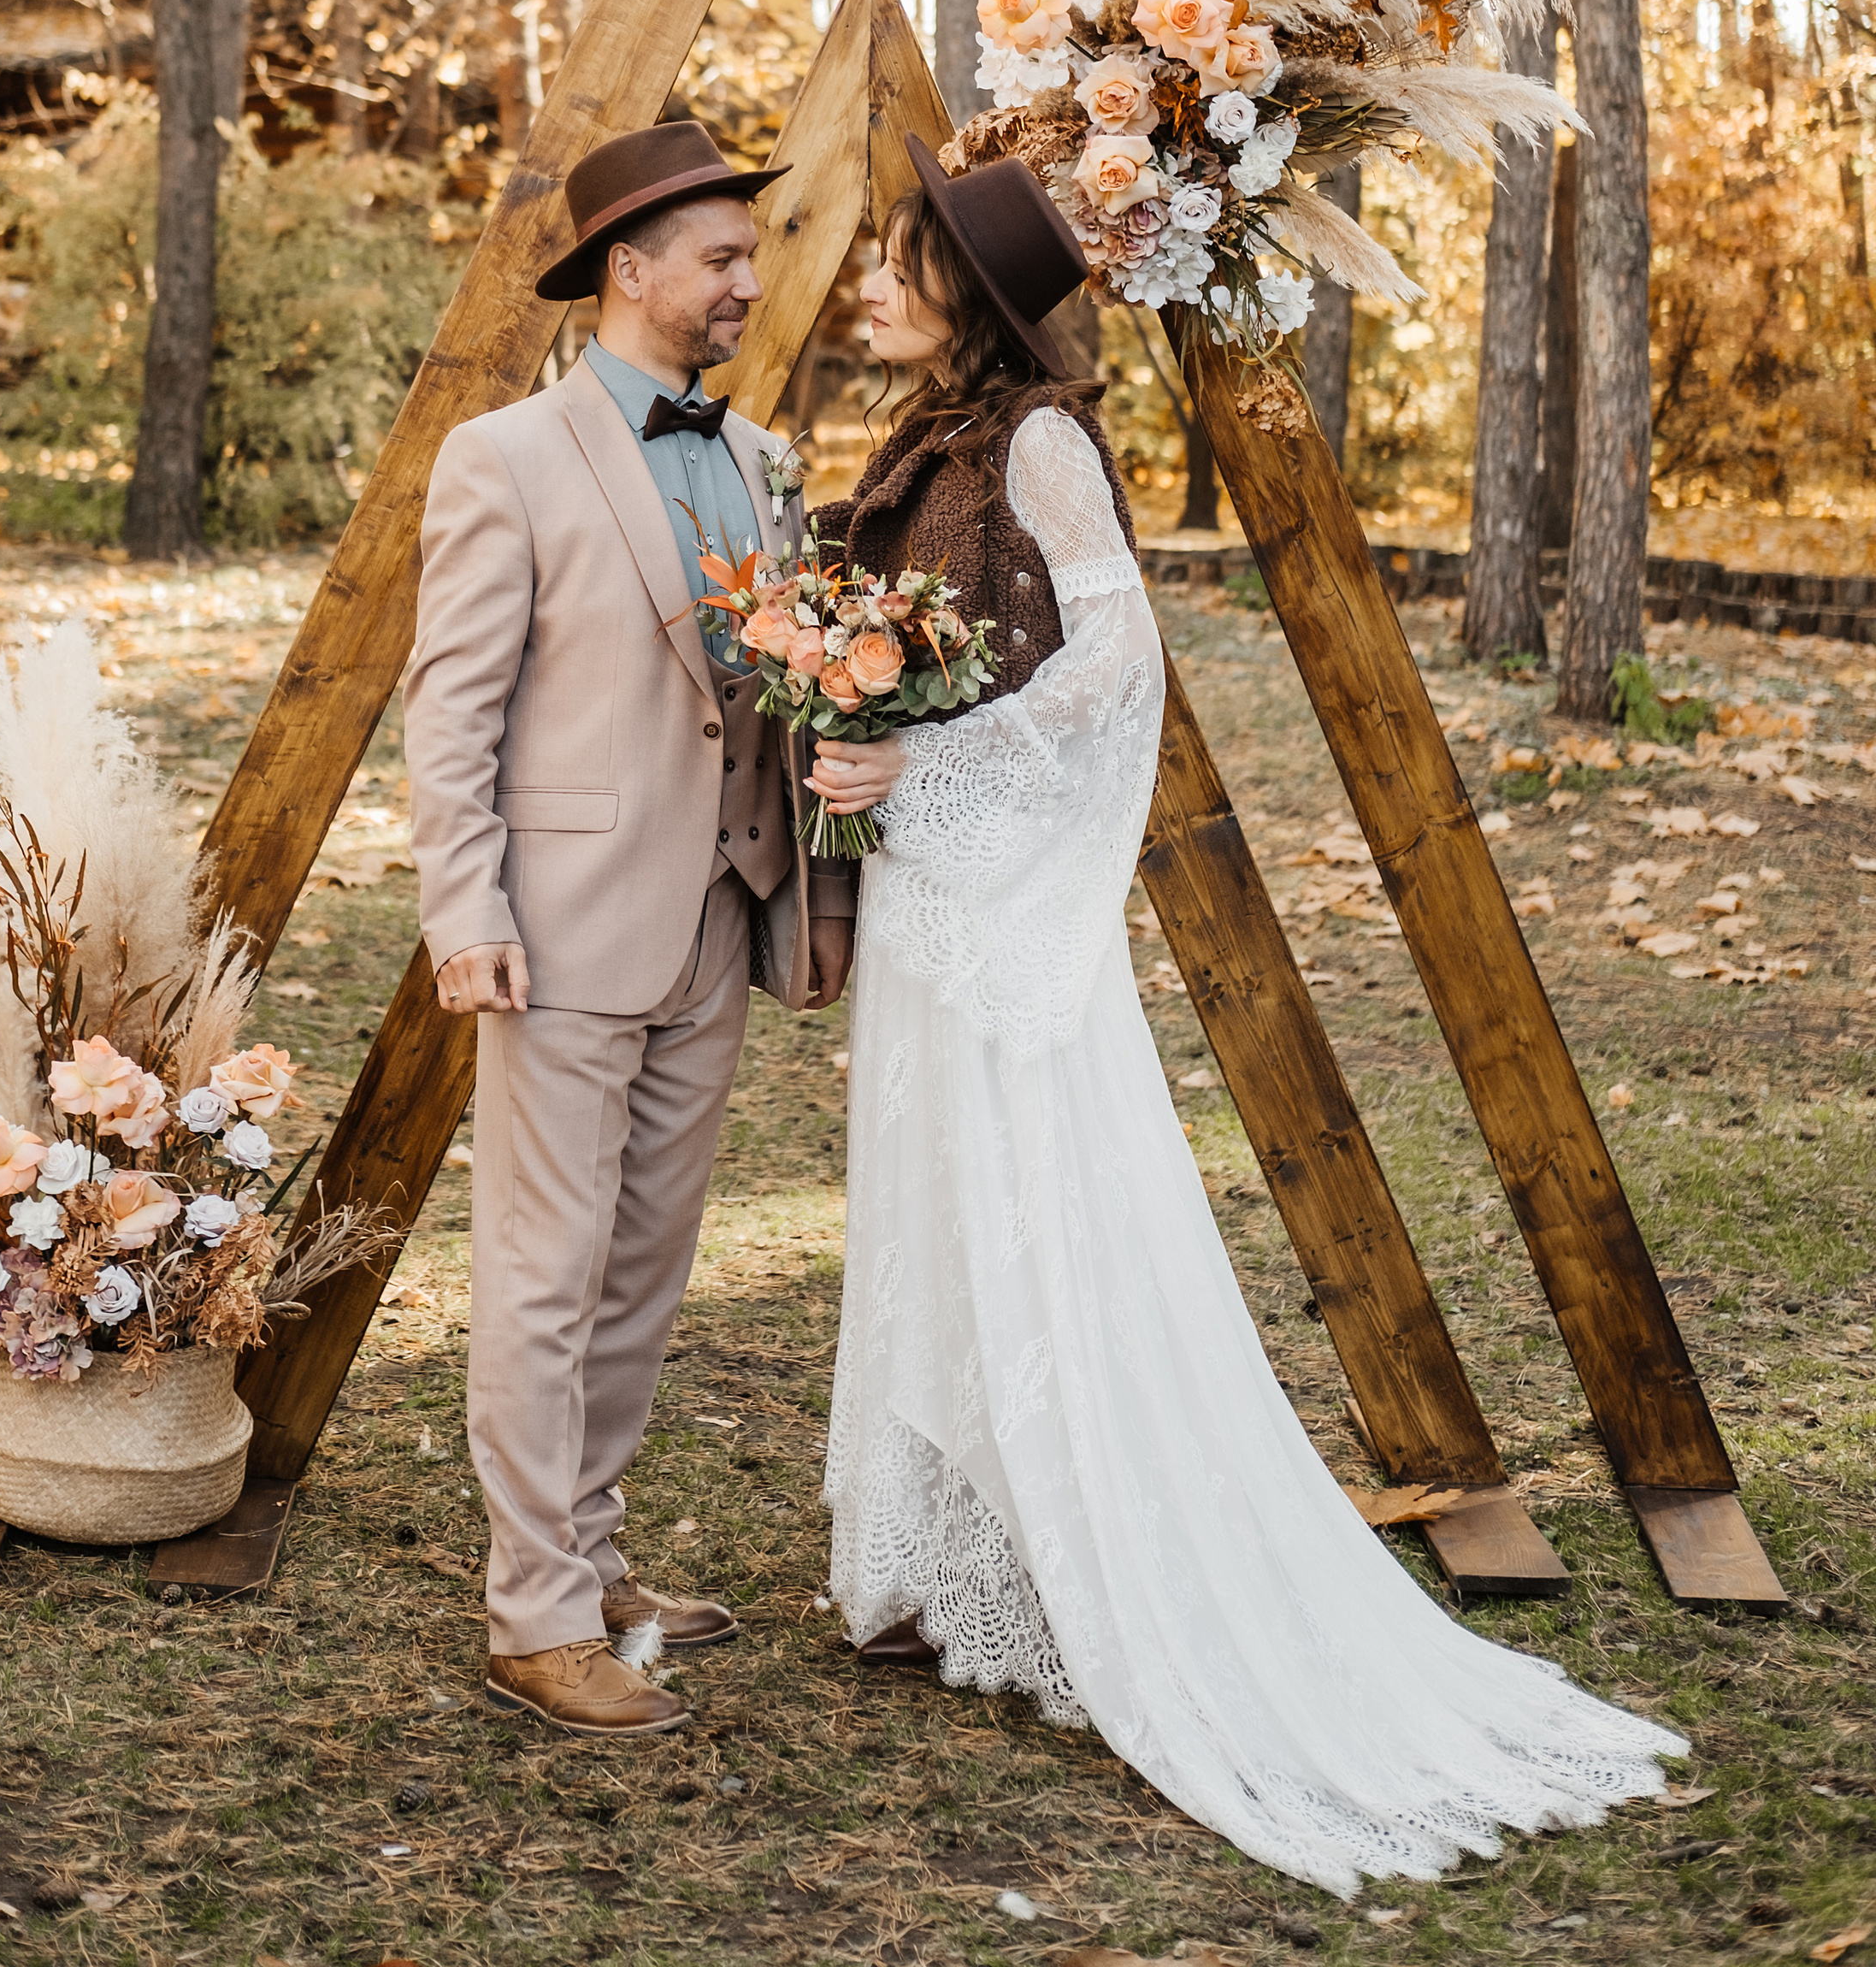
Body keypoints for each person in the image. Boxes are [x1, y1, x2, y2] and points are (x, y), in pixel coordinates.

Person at [810, 135, 1686, 1898]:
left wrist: (929, 755)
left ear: (964, 299)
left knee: (1028, 1205)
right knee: (933, 1208)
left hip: (994, 891)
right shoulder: (925, 440)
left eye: (890, 265)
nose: (861, 289)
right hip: (929, 888)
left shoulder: (1043, 441)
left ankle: (1087, 1557)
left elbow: (1116, 664)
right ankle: (954, 1555)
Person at [406, 118, 857, 1738]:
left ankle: (588, 1562)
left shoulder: (752, 463)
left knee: (643, 1274)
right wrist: (465, 909)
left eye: (752, 256)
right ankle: (530, 1620)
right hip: (561, 927)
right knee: (543, 1271)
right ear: (632, 269)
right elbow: (450, 711)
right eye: (724, 259)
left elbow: (767, 690)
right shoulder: (505, 459)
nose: (751, 283)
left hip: (717, 925)